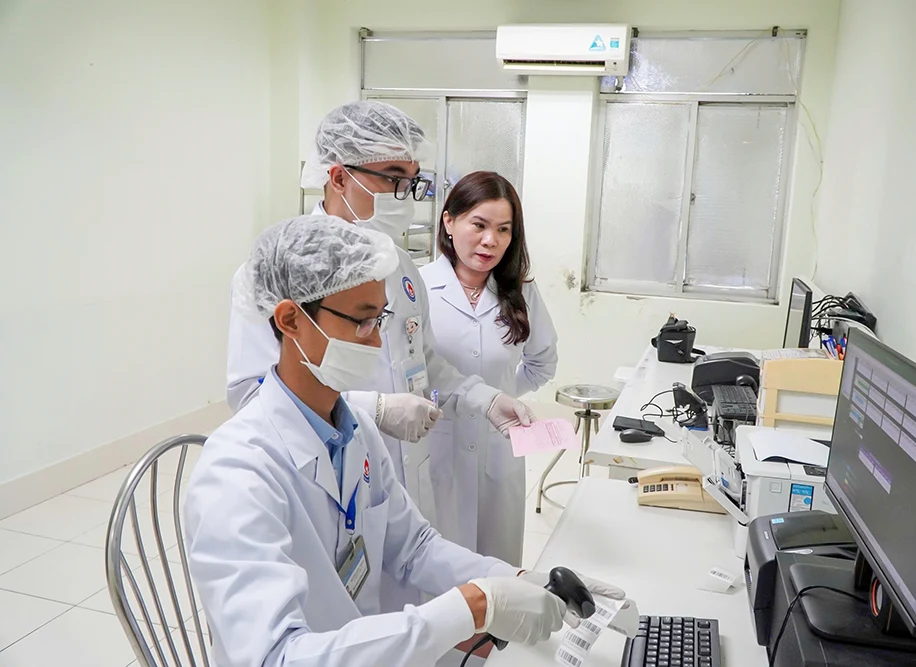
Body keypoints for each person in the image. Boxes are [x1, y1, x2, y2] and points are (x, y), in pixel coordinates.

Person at [186, 216, 625, 666]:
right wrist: (474, 608)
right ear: (291, 319)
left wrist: (513, 578)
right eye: (362, 322)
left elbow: (415, 547)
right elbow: (275, 657)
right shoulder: (237, 475)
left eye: (380, 320)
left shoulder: (354, 429)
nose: (378, 344)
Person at [225, 100, 533, 549]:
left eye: (412, 181)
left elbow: (423, 360)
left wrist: (483, 399)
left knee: (416, 571)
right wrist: (376, 410)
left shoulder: (401, 266)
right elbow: (251, 394)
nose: (404, 195)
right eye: (392, 177)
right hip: (330, 477)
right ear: (338, 177)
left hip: (411, 478)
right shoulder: (276, 268)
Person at [419, 172, 557, 566]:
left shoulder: (521, 291)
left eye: (503, 229)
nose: (490, 240)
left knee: (498, 569)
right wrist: (474, 401)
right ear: (449, 222)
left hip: (499, 448)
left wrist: (501, 398)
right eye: (478, 225)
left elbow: (542, 363)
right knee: (438, 569)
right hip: (434, 443)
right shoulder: (417, 286)